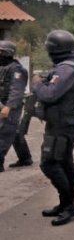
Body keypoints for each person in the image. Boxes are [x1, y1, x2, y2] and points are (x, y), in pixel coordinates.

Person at [31, 30, 74, 226]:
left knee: (49, 163)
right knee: (64, 162)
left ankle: (69, 205)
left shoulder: (66, 69)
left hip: (62, 125)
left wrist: (37, 84)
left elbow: (49, 95)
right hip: (66, 122)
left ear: (53, 49)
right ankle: (66, 202)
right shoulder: (72, 65)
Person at [0, 41, 32, 172]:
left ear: (7, 53)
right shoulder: (2, 67)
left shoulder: (16, 69)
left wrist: (9, 107)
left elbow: (16, 90)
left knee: (4, 132)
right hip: (2, 103)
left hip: (11, 106)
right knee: (15, 132)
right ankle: (25, 158)